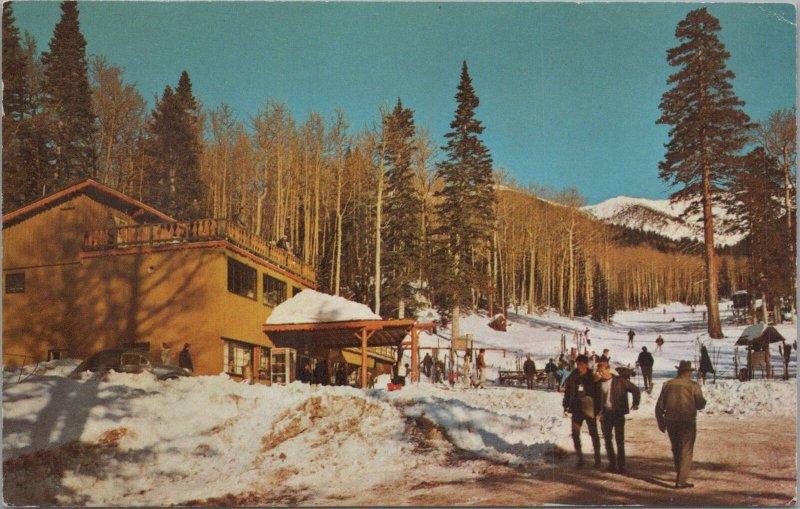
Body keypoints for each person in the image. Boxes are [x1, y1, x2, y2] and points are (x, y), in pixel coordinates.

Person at [655, 360, 706, 489]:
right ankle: (681, 480)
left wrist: (661, 422)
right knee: (686, 450)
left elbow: (659, 407)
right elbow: (700, 404)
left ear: (679, 371)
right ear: (688, 372)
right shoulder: (693, 385)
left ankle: (680, 476)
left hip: (671, 421)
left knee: (676, 448)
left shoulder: (667, 384)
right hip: (687, 421)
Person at [595, 356, 640, 474]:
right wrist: (599, 412)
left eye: (602, 371)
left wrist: (635, 403)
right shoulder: (599, 383)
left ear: (608, 369)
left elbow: (635, 390)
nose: (600, 373)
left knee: (620, 440)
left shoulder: (619, 381)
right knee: (607, 440)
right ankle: (612, 463)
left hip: (618, 413)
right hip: (606, 414)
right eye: (599, 371)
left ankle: (621, 466)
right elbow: (597, 399)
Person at [563, 354, 601, 468]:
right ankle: (580, 459)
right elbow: (568, 391)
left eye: (582, 365)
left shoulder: (592, 376)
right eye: (578, 364)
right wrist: (565, 405)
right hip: (576, 408)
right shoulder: (573, 375)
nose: (580, 367)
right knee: (575, 434)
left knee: (593, 433)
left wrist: (598, 409)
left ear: (586, 364)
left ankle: (597, 458)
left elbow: (598, 393)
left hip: (589, 408)